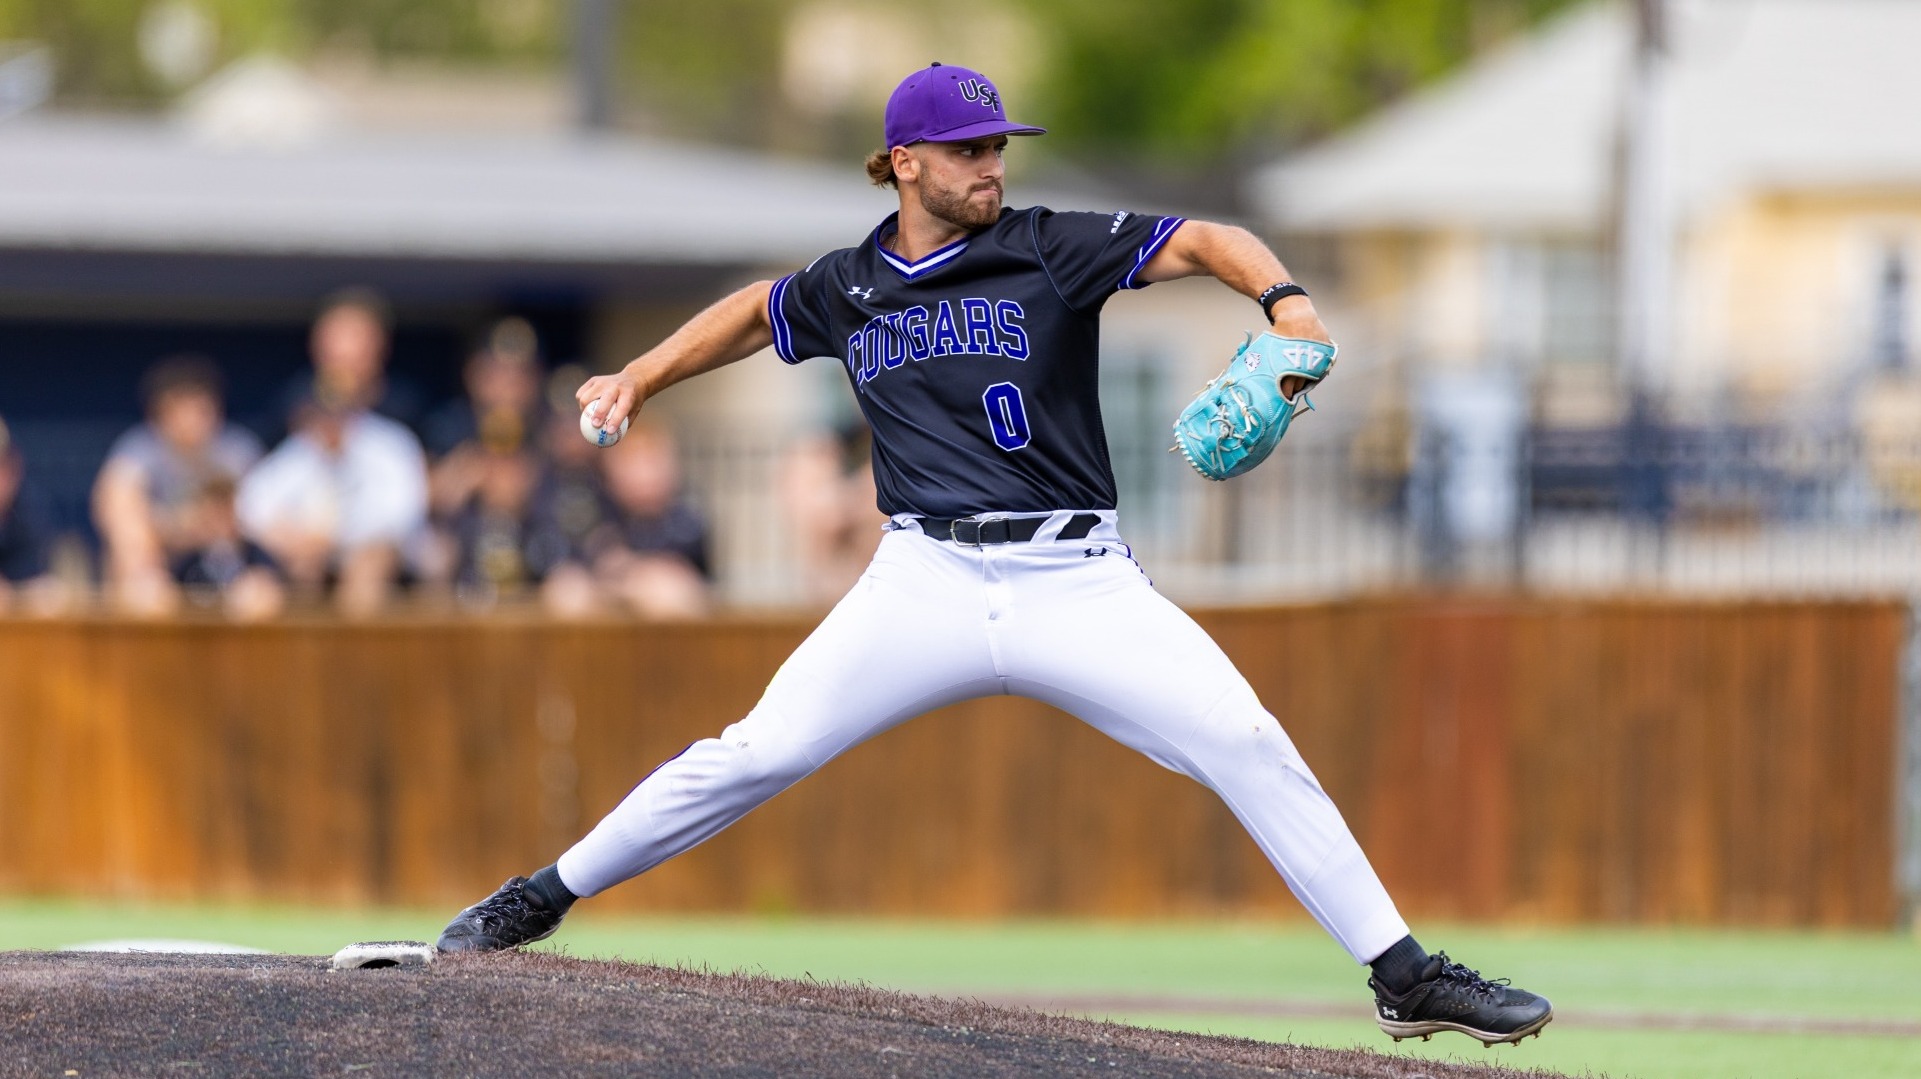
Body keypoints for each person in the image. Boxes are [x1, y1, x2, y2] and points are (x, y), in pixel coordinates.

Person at [435, 63, 1552, 1048]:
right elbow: (751, 311)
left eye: (998, 147)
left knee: (1244, 737)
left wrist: (1290, 307)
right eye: (968, 149)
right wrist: (637, 376)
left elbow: (1210, 238)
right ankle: (534, 897)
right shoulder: (848, 285)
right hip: (920, 578)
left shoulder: (1050, 247)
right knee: (752, 752)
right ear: (904, 161)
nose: (990, 166)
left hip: (1075, 577)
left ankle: (1402, 974)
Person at [93, 356, 265, 616]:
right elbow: (116, 511)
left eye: (199, 410)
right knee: (141, 579)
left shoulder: (238, 452)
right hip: (163, 564)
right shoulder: (138, 451)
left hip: (229, 565)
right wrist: (178, 528)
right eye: (179, 410)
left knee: (260, 593)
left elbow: (261, 522)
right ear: (159, 414)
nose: (190, 421)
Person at [235, 396, 428, 617]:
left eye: (338, 416)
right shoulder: (302, 449)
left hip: (377, 551)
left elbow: (405, 514)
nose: (330, 425)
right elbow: (251, 504)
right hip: (310, 553)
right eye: (323, 417)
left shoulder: (389, 444)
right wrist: (292, 538)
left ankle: (359, 647)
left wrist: (337, 538)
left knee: (366, 572)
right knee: (263, 588)